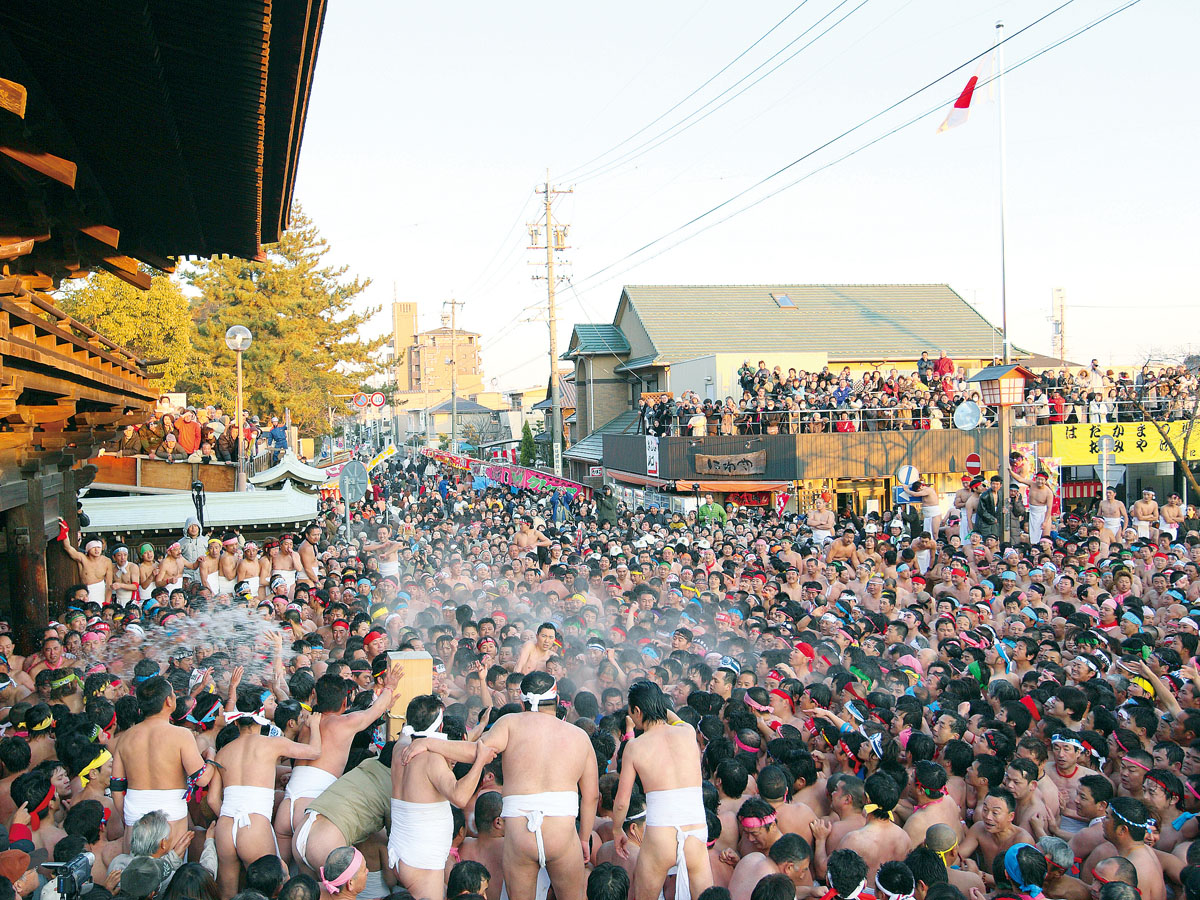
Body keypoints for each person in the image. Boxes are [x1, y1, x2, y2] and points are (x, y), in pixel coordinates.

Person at [403, 672, 598, 900]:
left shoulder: (510, 724)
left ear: (523, 703)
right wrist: (584, 839)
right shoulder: (579, 736)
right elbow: (591, 796)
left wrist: (428, 742)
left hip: (520, 835)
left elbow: (475, 751)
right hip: (562, 834)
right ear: (556, 702)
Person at [210, 688, 323, 899]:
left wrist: (228, 818)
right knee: (270, 892)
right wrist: (314, 727)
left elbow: (212, 799)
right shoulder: (272, 744)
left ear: (236, 722)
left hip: (225, 826)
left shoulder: (223, 752)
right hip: (254, 825)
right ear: (261, 717)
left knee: (226, 894)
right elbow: (315, 752)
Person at [612, 681, 713, 900]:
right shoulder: (687, 732)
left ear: (637, 711)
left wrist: (617, 829)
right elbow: (674, 719)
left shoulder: (635, 747)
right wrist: (657, 703)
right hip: (696, 830)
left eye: (632, 713)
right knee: (706, 896)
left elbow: (622, 801)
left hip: (661, 835)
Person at [388, 695, 494, 900]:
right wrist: (480, 762)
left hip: (401, 853)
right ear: (440, 727)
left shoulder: (399, 748)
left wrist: (427, 742)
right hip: (421, 861)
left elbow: (405, 734)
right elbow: (460, 797)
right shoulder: (431, 759)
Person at [111, 676, 214, 848]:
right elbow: (202, 779)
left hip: (135, 816)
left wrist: (128, 819)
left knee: (137, 870)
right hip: (170, 816)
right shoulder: (181, 735)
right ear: (168, 701)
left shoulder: (125, 738)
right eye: (173, 694)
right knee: (171, 872)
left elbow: (116, 789)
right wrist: (211, 757)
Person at [60, 526, 113, 605]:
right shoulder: (82, 558)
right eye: (94, 547)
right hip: (86, 591)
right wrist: (65, 532)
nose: (97, 550)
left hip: (101, 590)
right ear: (88, 549)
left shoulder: (107, 561)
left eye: (99, 547)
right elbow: (68, 548)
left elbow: (109, 584)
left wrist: (107, 603)